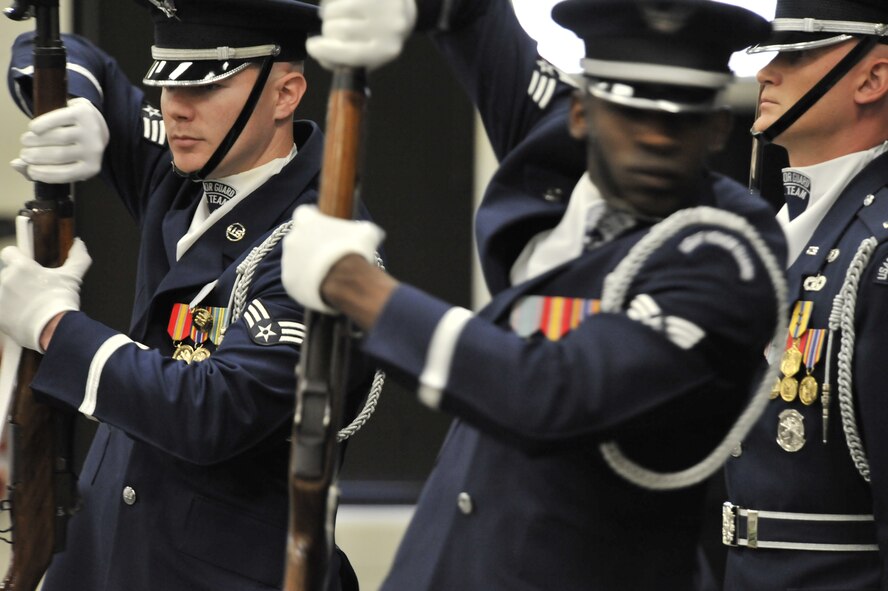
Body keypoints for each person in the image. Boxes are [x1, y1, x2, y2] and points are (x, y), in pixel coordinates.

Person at [282, 0, 788, 588]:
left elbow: (552, 394)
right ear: (581, 114)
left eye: (681, 119)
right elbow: (475, 20)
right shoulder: (563, 156)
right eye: (629, 110)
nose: (653, 137)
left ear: (718, 126)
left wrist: (358, 287)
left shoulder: (729, 252)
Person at [0, 1, 373, 589]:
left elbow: (213, 412)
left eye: (205, 87)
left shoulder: (323, 248)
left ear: (285, 94)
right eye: (167, 84)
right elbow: (61, 53)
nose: (175, 110)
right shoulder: (182, 169)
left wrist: (53, 325)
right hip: (103, 560)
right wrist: (79, 106)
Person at [721, 1, 888, 589]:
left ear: (872, 78)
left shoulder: (879, 248)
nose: (767, 72)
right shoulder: (779, 225)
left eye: (797, 54)